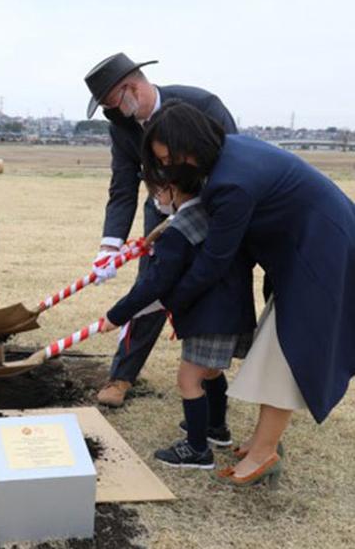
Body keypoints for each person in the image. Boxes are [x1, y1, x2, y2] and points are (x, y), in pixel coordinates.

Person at [141, 100, 355, 488]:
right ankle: (261, 441)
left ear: (190, 145)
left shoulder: (231, 182)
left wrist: (168, 298)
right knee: (277, 341)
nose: (170, 167)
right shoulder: (229, 155)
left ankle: (264, 452)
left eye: (171, 158)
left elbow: (215, 261)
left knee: (285, 351)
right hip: (309, 248)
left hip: (323, 252)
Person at [83, 52, 237, 407]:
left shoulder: (203, 105)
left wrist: (196, 207)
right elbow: (123, 186)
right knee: (150, 284)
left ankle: (208, 374)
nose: (112, 113)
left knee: (209, 283)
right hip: (161, 208)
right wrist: (110, 246)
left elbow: (233, 164)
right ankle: (121, 376)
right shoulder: (121, 127)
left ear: (132, 87)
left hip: (213, 210)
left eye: (112, 104)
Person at [101, 157, 256, 469]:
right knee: (209, 371)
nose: (156, 201)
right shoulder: (210, 214)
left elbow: (155, 282)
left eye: (157, 194)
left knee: (188, 379)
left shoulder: (177, 231)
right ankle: (215, 428)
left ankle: (197, 449)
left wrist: (116, 315)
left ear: (171, 190)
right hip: (230, 311)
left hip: (209, 316)